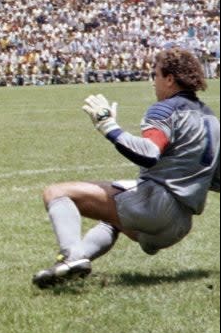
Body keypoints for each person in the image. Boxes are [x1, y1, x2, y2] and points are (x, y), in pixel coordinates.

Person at [32, 47, 220, 288]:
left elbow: (148, 154)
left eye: (156, 75)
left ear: (170, 79)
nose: (153, 83)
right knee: (112, 217)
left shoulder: (165, 109)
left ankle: (70, 257)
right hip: (180, 225)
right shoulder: (210, 118)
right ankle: (77, 260)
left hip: (155, 208)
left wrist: (108, 126)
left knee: (56, 193)